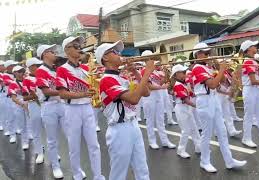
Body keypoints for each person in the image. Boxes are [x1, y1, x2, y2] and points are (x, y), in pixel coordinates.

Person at [96, 41, 151, 180]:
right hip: (119, 129)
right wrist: (148, 72)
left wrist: (135, 72)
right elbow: (133, 99)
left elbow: (146, 93)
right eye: (114, 52)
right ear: (105, 58)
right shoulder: (106, 80)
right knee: (119, 174)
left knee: (142, 168)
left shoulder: (122, 76)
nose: (119, 54)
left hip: (133, 125)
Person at [191, 42, 247, 173]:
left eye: (208, 53)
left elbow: (217, 85)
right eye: (206, 53)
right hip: (204, 101)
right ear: (198, 55)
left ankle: (229, 161)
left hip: (213, 99)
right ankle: (204, 161)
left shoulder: (207, 68)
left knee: (222, 132)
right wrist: (221, 69)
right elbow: (211, 84)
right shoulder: (197, 68)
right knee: (207, 134)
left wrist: (230, 76)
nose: (209, 55)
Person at [56, 36, 105, 180]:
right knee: (74, 145)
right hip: (72, 110)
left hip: (88, 108)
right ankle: (77, 174)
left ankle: (98, 175)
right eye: (74, 45)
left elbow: (95, 85)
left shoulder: (86, 68)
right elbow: (62, 94)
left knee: (94, 144)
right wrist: (83, 93)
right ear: (67, 50)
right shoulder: (62, 70)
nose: (79, 46)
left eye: (79, 44)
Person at [36, 44, 65, 178]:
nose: (54, 53)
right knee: (52, 139)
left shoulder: (56, 70)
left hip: (61, 104)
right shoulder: (41, 70)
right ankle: (55, 166)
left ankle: (57, 157)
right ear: (44, 54)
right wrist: (65, 93)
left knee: (69, 135)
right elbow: (46, 91)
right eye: (51, 51)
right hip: (49, 106)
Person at [141, 50, 176, 149]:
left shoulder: (156, 70)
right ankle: (152, 141)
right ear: (146, 60)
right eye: (151, 58)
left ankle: (165, 141)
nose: (153, 60)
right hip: (149, 97)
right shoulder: (144, 70)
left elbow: (160, 83)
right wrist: (162, 87)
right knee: (150, 121)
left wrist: (165, 76)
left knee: (160, 120)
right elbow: (149, 86)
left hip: (158, 96)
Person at [171, 64, 200, 158]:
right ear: (176, 75)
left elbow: (192, 94)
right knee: (186, 130)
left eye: (184, 72)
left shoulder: (183, 84)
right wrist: (199, 106)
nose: (185, 74)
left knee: (194, 128)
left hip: (186, 108)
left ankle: (199, 147)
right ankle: (181, 150)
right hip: (181, 108)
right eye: (182, 72)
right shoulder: (178, 85)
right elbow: (186, 100)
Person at [22, 57, 44, 164]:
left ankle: (54, 153)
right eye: (37, 65)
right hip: (34, 106)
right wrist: (36, 96)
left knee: (50, 131)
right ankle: (39, 152)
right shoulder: (27, 80)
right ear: (30, 68)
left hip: (46, 105)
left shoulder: (44, 76)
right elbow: (25, 97)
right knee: (36, 130)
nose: (39, 67)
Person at [8, 65, 29, 149]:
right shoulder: (13, 84)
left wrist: (28, 103)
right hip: (18, 105)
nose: (21, 73)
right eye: (19, 72)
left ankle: (34, 139)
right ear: (14, 73)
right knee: (22, 124)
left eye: (22, 71)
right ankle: (24, 142)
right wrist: (22, 104)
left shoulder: (27, 81)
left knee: (32, 123)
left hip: (29, 104)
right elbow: (13, 98)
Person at [216, 70, 242, 137]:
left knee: (228, 114)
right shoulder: (217, 73)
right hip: (219, 96)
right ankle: (217, 131)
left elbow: (231, 84)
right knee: (219, 114)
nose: (227, 65)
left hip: (225, 94)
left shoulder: (227, 73)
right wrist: (227, 93)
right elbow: (217, 89)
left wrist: (232, 92)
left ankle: (232, 131)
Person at [2, 60, 18, 143]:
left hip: (18, 98)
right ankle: (12, 134)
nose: (14, 66)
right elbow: (13, 84)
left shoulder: (16, 73)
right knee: (10, 116)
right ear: (8, 67)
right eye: (13, 65)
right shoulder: (5, 75)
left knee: (18, 115)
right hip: (9, 99)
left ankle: (17, 129)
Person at [0, 61, 6, 131]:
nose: (4, 67)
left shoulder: (4, 74)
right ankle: (1, 124)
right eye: (3, 65)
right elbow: (3, 84)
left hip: (4, 94)